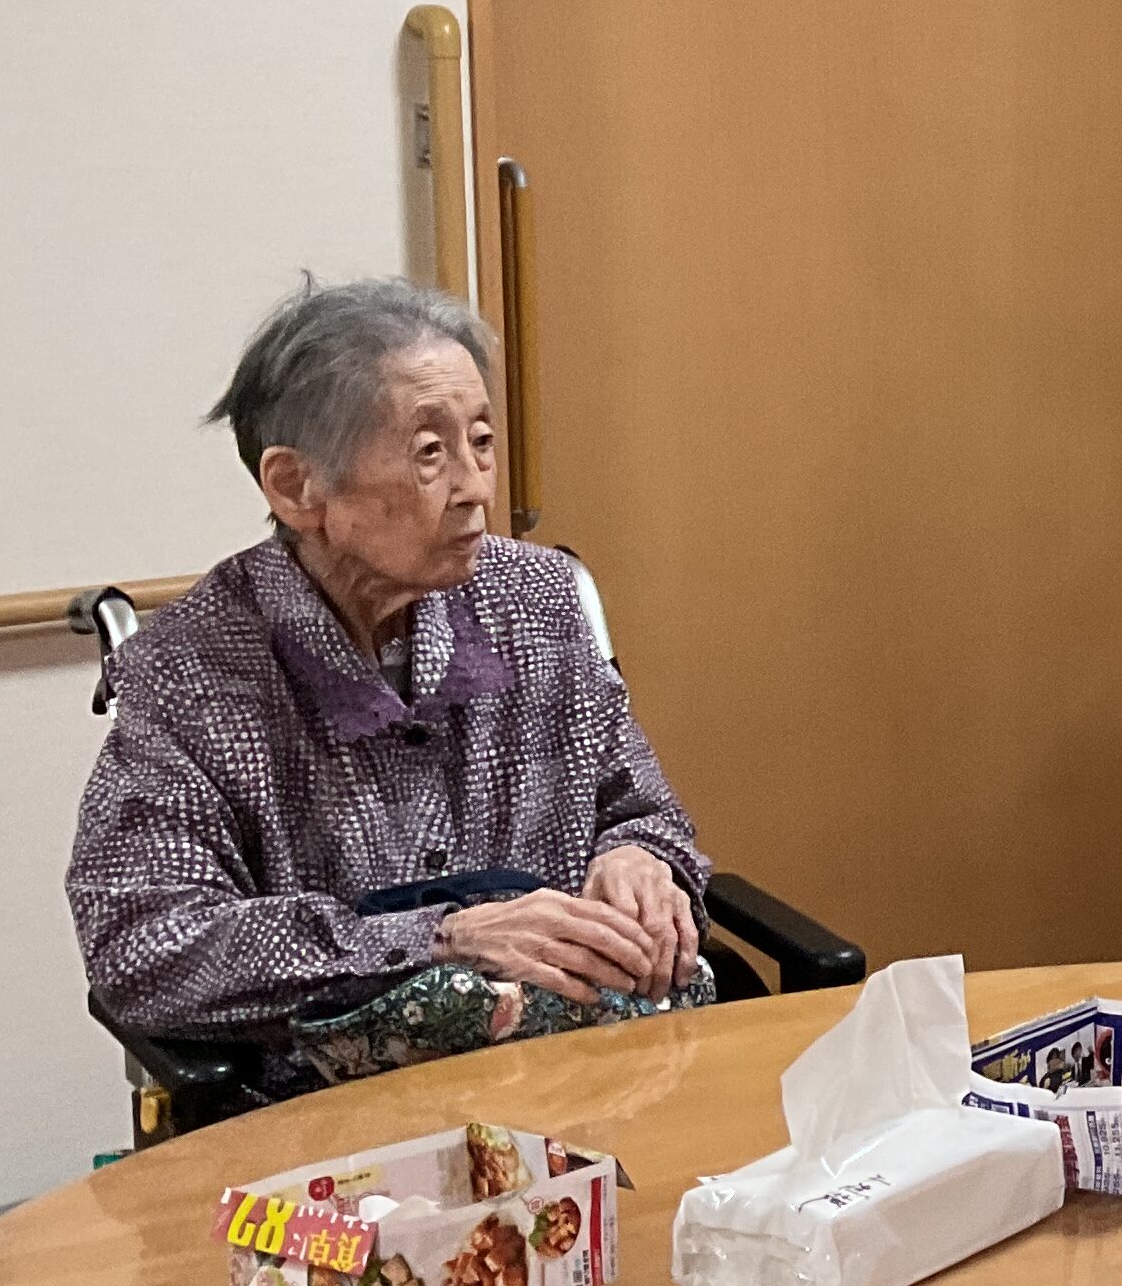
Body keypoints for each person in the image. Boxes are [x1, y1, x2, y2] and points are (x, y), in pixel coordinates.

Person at [67, 279, 716, 1094]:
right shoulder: (192, 672)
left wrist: (639, 859)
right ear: (296, 488)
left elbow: (641, 811)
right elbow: (145, 944)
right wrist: (436, 940)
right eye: (430, 453)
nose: (477, 487)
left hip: (578, 1079)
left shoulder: (538, 602)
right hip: (334, 1116)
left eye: (481, 441)